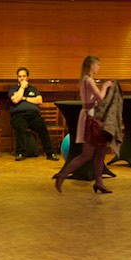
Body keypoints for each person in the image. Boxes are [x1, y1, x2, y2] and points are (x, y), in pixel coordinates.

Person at [53, 55, 117, 194]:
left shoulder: (85, 80)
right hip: (91, 119)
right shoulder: (88, 80)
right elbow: (100, 97)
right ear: (91, 65)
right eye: (97, 65)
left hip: (92, 117)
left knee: (101, 151)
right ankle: (62, 175)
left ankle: (99, 182)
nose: (99, 67)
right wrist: (105, 86)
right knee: (87, 154)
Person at [8, 66, 58, 161]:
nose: (22, 78)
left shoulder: (33, 89)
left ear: (28, 77)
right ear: (17, 78)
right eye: (20, 76)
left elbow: (39, 100)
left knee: (42, 126)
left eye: (24, 76)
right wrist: (22, 87)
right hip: (18, 116)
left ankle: (50, 153)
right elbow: (15, 100)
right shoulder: (13, 89)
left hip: (33, 116)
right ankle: (20, 153)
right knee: (20, 127)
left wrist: (24, 98)